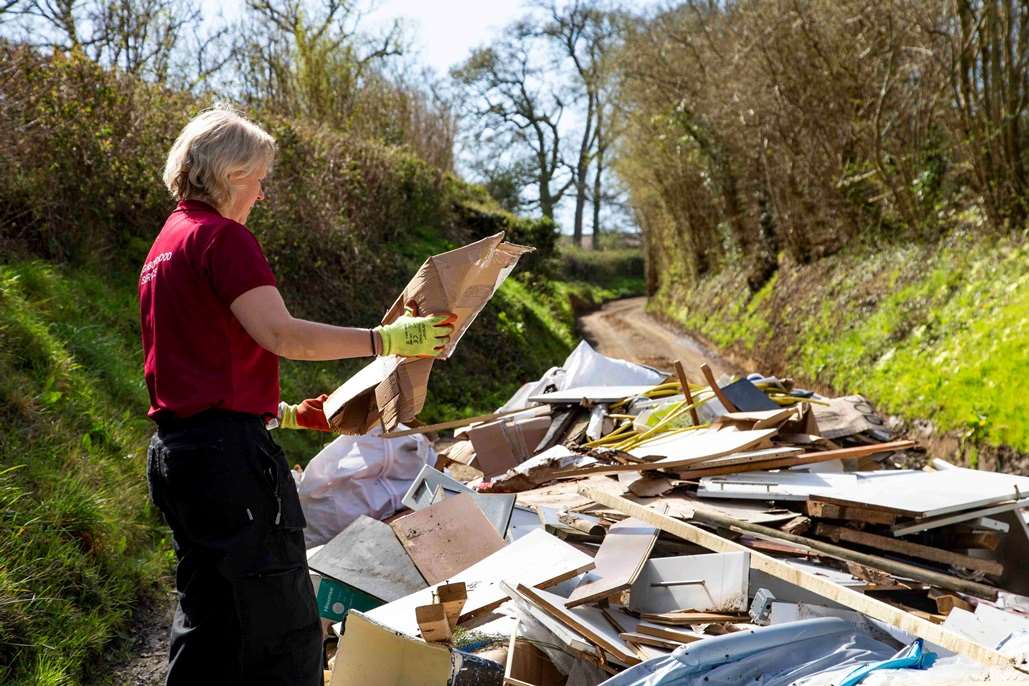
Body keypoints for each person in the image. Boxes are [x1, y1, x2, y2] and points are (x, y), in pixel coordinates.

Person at [139, 105, 454, 685]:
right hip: (226, 462)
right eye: (258, 180)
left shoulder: (165, 245)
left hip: (180, 454)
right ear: (231, 174)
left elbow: (197, 356)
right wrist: (385, 339)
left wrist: (278, 412)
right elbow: (282, 335)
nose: (260, 194)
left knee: (209, 621)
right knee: (282, 628)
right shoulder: (223, 238)